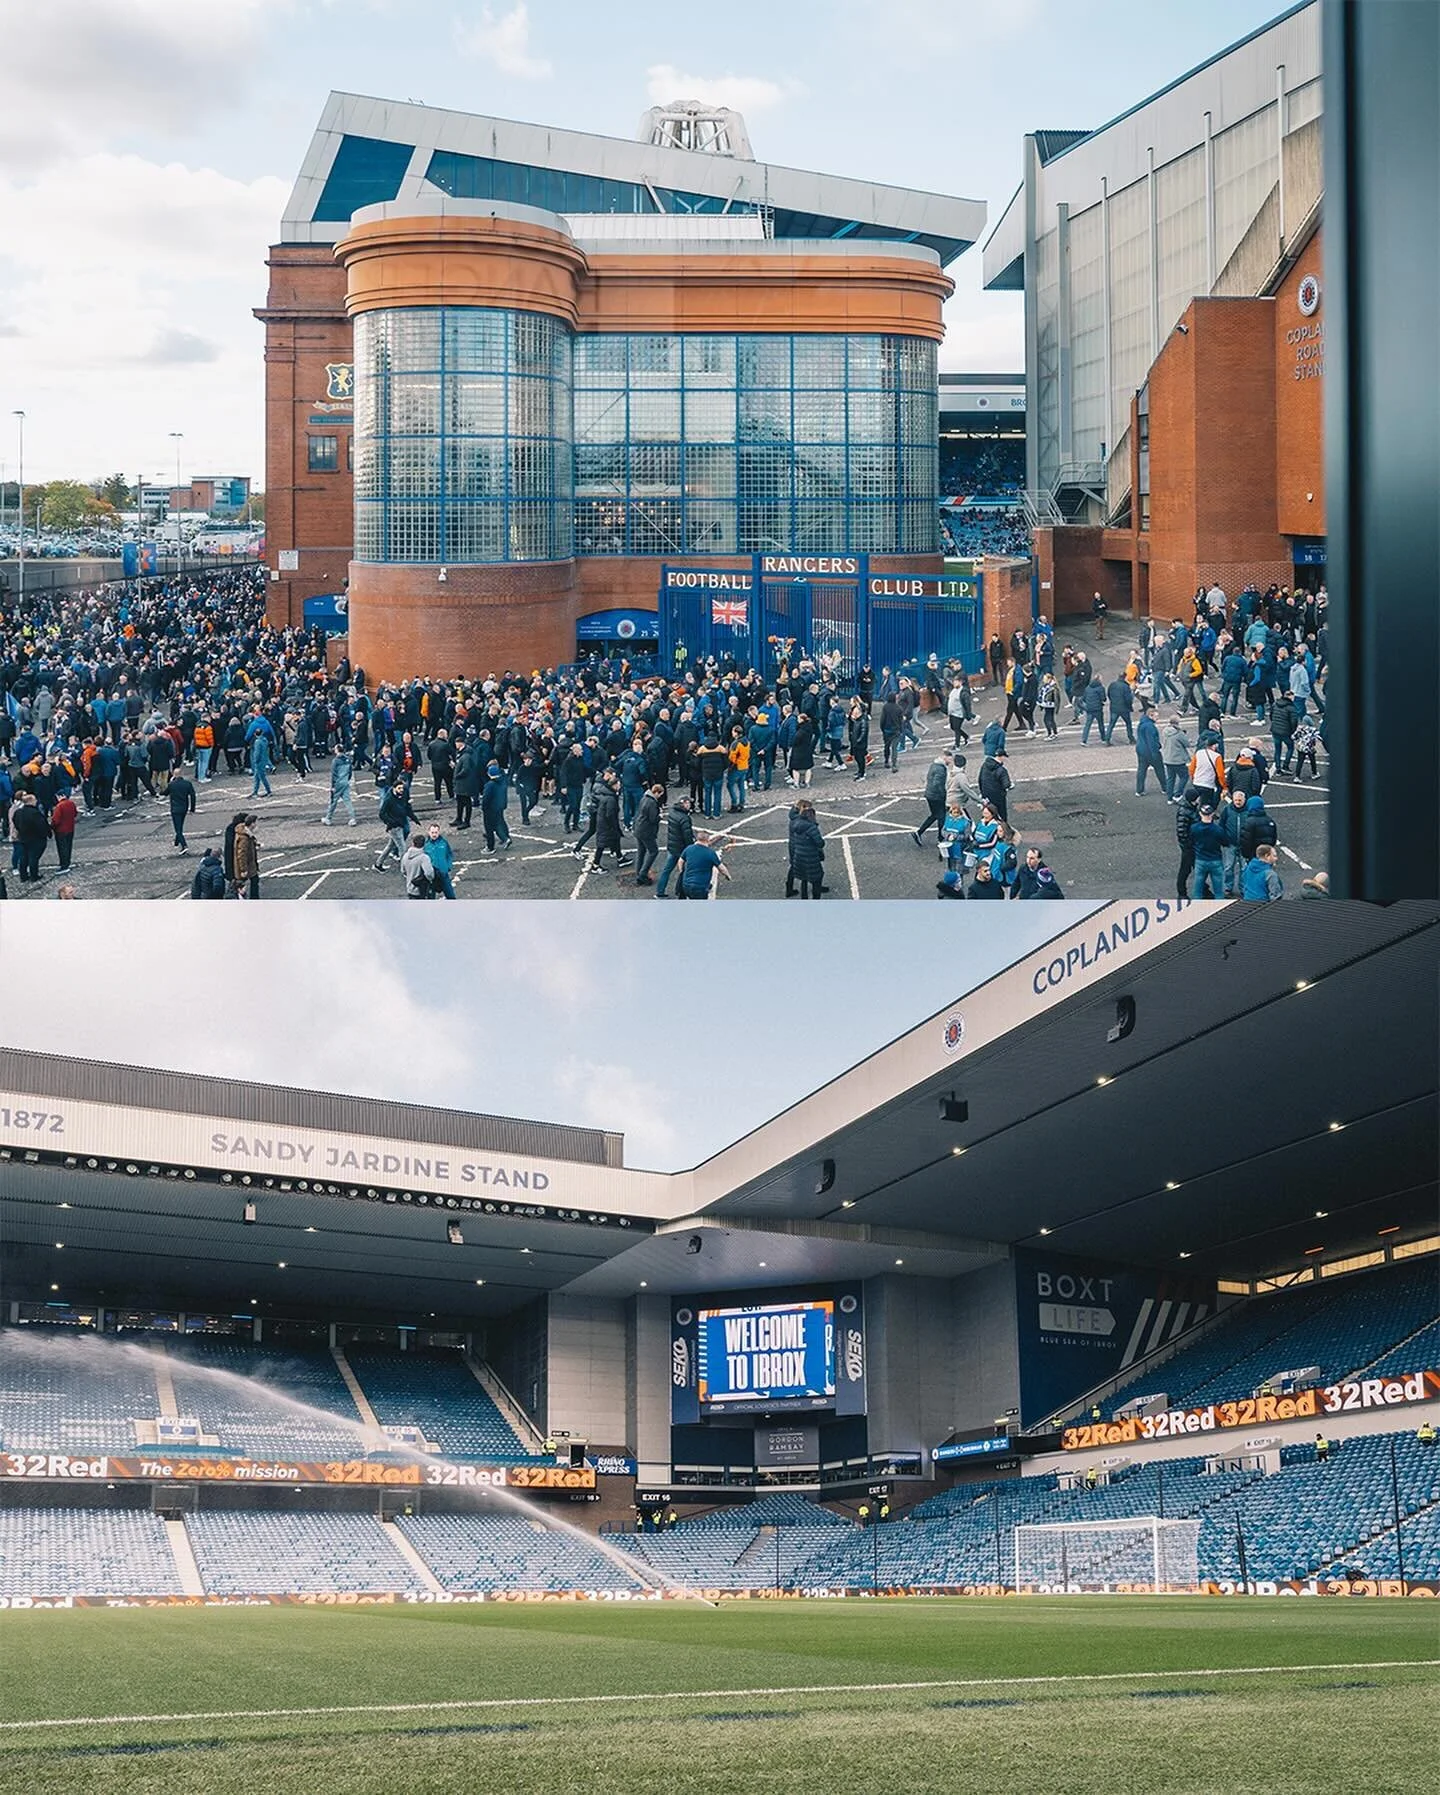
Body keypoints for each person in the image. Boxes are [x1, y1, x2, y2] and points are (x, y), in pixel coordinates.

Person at [374, 781, 419, 873]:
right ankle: (404, 870)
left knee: (390, 846)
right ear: (394, 788)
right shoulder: (389, 799)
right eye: (399, 788)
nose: (401, 790)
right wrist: (391, 822)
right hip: (395, 827)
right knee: (402, 848)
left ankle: (378, 864)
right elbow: (382, 813)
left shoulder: (401, 796)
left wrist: (414, 818)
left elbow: (406, 807)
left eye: (402, 788)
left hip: (400, 824)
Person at [655, 795, 694, 899]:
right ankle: (682, 891)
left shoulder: (672, 813)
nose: (690, 805)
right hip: (682, 849)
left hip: (672, 847)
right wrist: (691, 849)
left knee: (666, 870)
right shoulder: (685, 818)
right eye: (688, 803)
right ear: (684, 803)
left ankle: (660, 891)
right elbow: (687, 836)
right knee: (689, 870)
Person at [788, 800, 825, 899]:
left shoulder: (795, 821)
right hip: (810, 855)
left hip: (798, 853)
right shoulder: (811, 827)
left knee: (803, 878)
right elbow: (820, 843)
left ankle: (803, 898)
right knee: (817, 877)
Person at [11, 792, 50, 884]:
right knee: (33, 858)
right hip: (36, 839)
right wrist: (46, 834)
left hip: (23, 838)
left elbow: (15, 822)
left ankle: (23, 876)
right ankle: (34, 875)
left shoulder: (18, 812)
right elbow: (42, 826)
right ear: (31, 801)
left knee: (23, 857)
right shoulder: (35, 814)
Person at [1190, 800, 1226, 898]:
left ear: (1200, 813)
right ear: (1212, 814)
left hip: (1200, 860)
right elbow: (1225, 842)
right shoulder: (1218, 830)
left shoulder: (1194, 828)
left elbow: (1191, 841)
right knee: (1218, 891)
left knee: (1198, 890)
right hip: (1215, 860)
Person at [678, 831, 730, 899]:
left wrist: (681, 872)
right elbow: (722, 868)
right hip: (700, 887)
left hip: (686, 885)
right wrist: (728, 875)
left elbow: (680, 861)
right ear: (708, 840)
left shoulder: (689, 849)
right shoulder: (710, 853)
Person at [913, 755, 950, 845]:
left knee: (934, 815)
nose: (950, 762)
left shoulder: (934, 765)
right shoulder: (941, 769)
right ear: (945, 758)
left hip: (929, 794)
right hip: (937, 796)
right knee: (941, 817)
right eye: (950, 759)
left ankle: (919, 833)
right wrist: (944, 796)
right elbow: (937, 784)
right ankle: (940, 838)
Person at [631, 783, 662, 886]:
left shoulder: (644, 798)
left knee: (641, 851)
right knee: (653, 851)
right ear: (656, 792)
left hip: (639, 828)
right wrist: (659, 816)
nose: (660, 797)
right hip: (646, 831)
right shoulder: (652, 803)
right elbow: (653, 819)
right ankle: (643, 874)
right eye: (660, 794)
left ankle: (638, 872)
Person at [1134, 703, 1166, 796]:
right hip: (1150, 752)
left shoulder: (1142, 723)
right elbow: (1151, 741)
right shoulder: (1150, 727)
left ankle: (1139, 790)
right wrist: (1156, 751)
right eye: (1156, 716)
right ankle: (1165, 788)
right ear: (1150, 715)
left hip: (1141, 750)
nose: (1158, 718)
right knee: (1160, 770)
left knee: (1142, 770)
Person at [480, 761, 511, 853]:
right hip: (500, 807)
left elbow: (486, 799)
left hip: (490, 809)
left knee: (489, 827)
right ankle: (506, 837)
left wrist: (484, 808)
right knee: (500, 823)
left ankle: (490, 847)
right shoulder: (503, 782)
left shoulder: (490, 785)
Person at [323, 749, 358, 826]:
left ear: (337, 751)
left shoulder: (335, 761)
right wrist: (347, 780)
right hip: (345, 782)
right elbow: (350, 772)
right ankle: (352, 818)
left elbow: (334, 774)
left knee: (333, 801)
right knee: (347, 801)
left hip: (338, 783)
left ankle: (328, 818)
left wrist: (333, 786)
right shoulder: (348, 759)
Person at [423, 823, 457, 899]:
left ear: (439, 832)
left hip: (443, 874)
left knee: (451, 896)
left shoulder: (444, 843)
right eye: (432, 832)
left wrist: (448, 867)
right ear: (429, 832)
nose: (434, 834)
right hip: (432, 876)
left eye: (436, 832)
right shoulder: (425, 845)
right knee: (431, 898)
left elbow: (449, 855)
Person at [167, 769, 197, 852]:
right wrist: (192, 809)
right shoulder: (187, 784)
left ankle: (184, 845)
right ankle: (177, 842)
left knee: (178, 829)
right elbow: (192, 796)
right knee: (180, 825)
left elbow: (165, 792)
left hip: (175, 809)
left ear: (174, 775)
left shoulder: (172, 785)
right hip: (184, 808)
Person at [233, 814, 261, 900]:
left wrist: (255, 844)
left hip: (250, 863)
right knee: (248, 882)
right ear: (252, 824)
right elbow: (242, 854)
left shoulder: (246, 833)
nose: (256, 825)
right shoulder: (244, 838)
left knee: (252, 881)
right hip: (248, 864)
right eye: (255, 822)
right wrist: (243, 869)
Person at [401, 831, 436, 899]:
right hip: (422, 890)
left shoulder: (405, 856)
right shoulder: (424, 858)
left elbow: (403, 871)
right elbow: (429, 874)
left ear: (413, 843)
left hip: (410, 889)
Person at [49, 792, 77, 871]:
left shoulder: (59, 806)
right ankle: (67, 862)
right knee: (68, 846)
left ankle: (64, 865)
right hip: (70, 828)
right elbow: (75, 814)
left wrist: (52, 827)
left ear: (59, 796)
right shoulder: (71, 803)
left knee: (62, 848)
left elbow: (56, 820)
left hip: (61, 830)